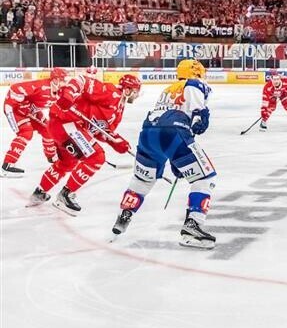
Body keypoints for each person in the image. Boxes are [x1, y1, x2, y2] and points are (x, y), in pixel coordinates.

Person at [109, 60, 216, 248]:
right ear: (197, 72)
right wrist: (200, 117)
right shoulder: (195, 84)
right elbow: (197, 116)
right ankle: (193, 225)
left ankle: (125, 214)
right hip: (173, 134)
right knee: (204, 177)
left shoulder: (168, 89)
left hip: (148, 134)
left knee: (142, 180)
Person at [26, 74, 142, 215]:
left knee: (67, 163)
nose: (136, 95)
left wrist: (115, 140)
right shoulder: (111, 92)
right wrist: (68, 93)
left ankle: (39, 193)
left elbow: (100, 130)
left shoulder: (118, 110)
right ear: (127, 90)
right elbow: (82, 80)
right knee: (96, 157)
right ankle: (66, 195)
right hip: (66, 122)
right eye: (135, 91)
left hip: (66, 127)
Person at [1, 67, 68, 177]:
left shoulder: (59, 92)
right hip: (14, 108)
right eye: (63, 79)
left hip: (31, 110)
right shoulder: (41, 86)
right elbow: (15, 88)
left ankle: (52, 158)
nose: (65, 82)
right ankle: (7, 166)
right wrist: (22, 104)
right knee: (26, 132)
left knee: (48, 129)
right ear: (55, 79)